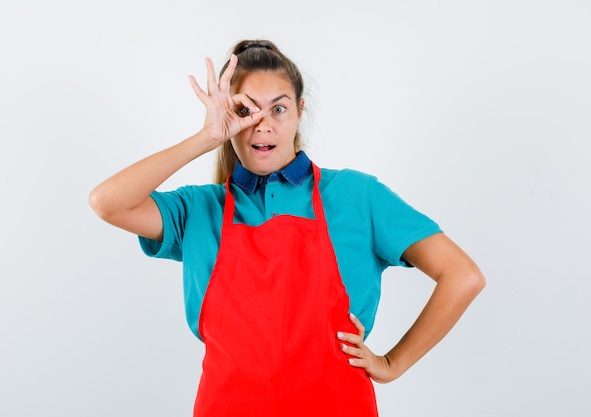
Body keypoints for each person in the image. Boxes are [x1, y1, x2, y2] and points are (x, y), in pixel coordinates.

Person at [89, 39, 485, 416]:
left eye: (278, 109)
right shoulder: (198, 209)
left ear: (299, 112)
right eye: (246, 111)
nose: (263, 125)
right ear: (229, 117)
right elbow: (106, 202)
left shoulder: (356, 196)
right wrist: (206, 137)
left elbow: (462, 275)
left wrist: (392, 363)